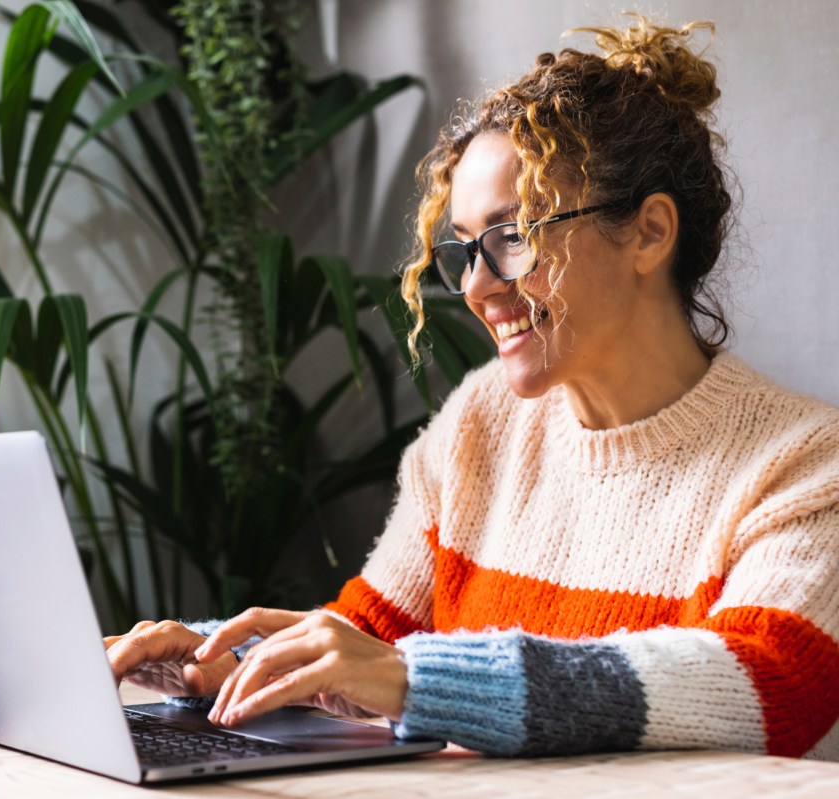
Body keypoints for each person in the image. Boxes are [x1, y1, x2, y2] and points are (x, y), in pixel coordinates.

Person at [104, 14, 839, 759]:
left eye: (515, 236)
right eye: (465, 249)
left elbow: (764, 683)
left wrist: (410, 678)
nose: (480, 286)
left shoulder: (805, 464)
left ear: (650, 232)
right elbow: (374, 640)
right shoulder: (479, 423)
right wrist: (219, 658)